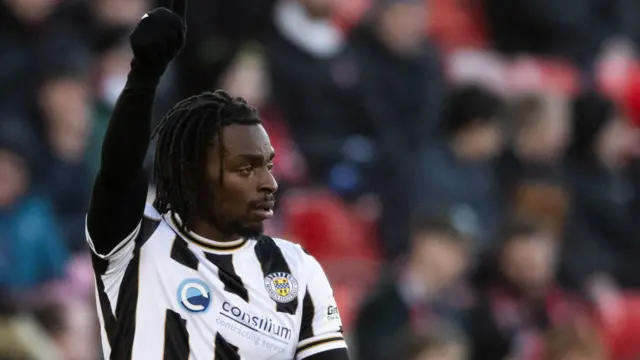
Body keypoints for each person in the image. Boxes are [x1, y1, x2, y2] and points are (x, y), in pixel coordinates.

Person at [85, 2, 348, 359]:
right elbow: (119, 171)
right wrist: (143, 78)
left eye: (267, 166)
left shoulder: (297, 270)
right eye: (245, 168)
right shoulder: (134, 243)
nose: (269, 182)